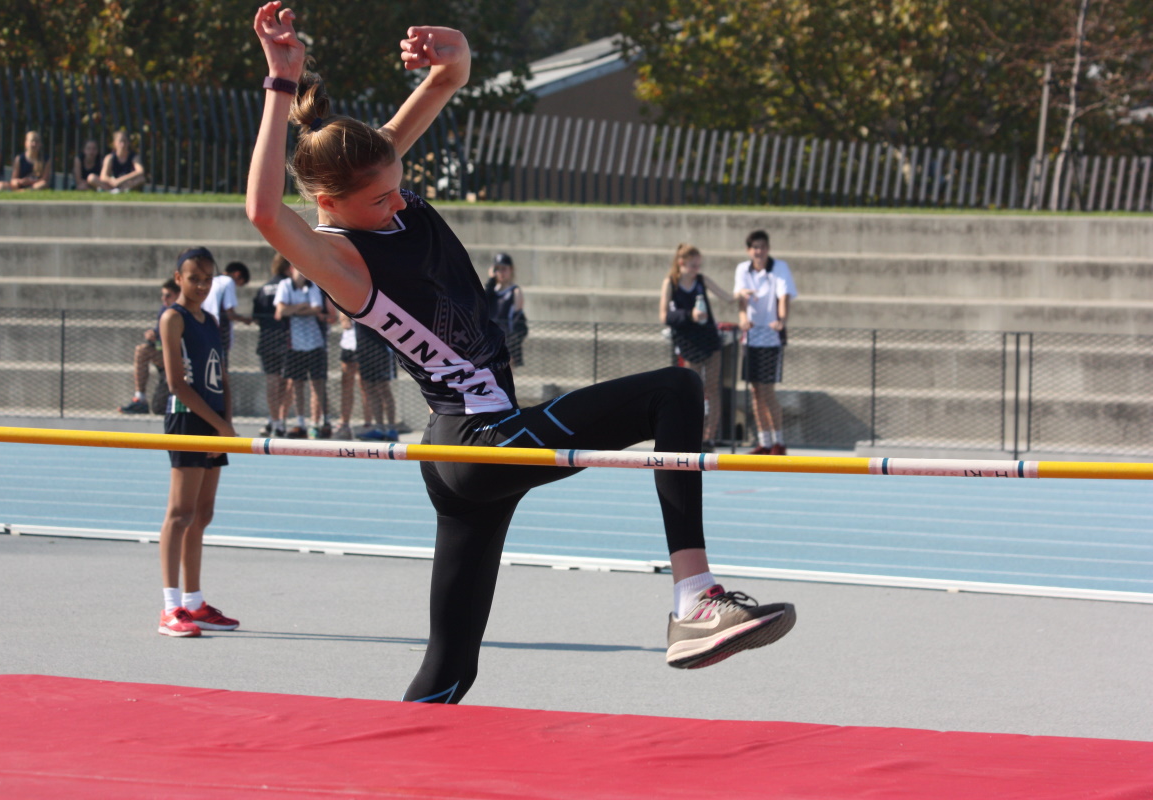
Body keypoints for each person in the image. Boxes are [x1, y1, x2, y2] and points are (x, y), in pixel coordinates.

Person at [247, 3, 794, 703]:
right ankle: (694, 600)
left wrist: (456, 56)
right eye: (382, 199)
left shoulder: (378, 184)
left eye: (399, 185)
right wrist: (279, 82)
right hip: (479, 444)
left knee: (452, 666)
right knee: (677, 391)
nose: (400, 202)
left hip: (468, 448)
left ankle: (400, 750)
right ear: (329, 200)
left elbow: (448, 80)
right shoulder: (341, 261)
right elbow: (264, 212)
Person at [156, 246, 239, 637]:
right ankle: (170, 607)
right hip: (188, 419)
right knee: (180, 514)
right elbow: (177, 383)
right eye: (194, 278)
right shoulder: (174, 318)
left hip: (215, 422)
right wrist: (218, 425)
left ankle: (194, 602)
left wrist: (227, 425)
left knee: (202, 514)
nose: (202, 286)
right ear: (179, 279)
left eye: (208, 279)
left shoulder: (212, 319)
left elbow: (222, 375)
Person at [660, 244, 733, 449]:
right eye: (693, 265)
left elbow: (727, 297)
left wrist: (743, 294)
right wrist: (689, 315)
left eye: (698, 265)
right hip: (689, 343)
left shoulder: (701, 280)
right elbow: (664, 316)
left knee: (712, 388)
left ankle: (709, 436)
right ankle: (693, 433)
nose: (696, 269)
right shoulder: (671, 283)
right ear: (681, 263)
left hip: (709, 339)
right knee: (693, 390)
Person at [733, 230, 796, 455]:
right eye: (755, 247)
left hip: (771, 339)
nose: (759, 251)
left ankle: (779, 442)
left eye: (763, 247)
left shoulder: (779, 267)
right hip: (751, 338)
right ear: (749, 250)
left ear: (768, 248)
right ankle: (765, 441)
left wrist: (781, 320)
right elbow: (740, 298)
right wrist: (743, 319)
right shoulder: (743, 269)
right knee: (755, 392)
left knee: (768, 391)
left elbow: (784, 296)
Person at [275, 261, 331, 439]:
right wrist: (302, 307)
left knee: (317, 384)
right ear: (291, 269)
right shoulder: (285, 285)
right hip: (294, 345)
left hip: (315, 343)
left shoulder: (312, 285)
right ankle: (300, 423)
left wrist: (293, 309)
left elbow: (316, 309)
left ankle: (319, 422)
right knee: (297, 385)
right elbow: (281, 311)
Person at [120, 277, 181, 415]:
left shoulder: (183, 312)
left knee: (160, 408)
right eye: (162, 295)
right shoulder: (164, 310)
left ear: (178, 295)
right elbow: (160, 333)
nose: (164, 298)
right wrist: (153, 335)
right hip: (164, 355)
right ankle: (140, 398)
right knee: (142, 350)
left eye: (168, 295)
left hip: (179, 360)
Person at [253, 253, 293, 437]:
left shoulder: (264, 288)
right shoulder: (290, 286)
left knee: (272, 380)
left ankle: (273, 418)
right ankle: (280, 420)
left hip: (267, 338)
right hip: (287, 338)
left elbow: (256, 316)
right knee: (287, 382)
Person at [355, 323, 398, 441]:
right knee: (369, 388)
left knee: (383, 388)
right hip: (364, 347)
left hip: (381, 347)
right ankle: (379, 428)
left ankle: (392, 429)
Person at [484, 252, 527, 369]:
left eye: (504, 269)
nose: (500, 272)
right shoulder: (491, 291)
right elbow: (482, 303)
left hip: (505, 342)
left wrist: (511, 347)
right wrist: (491, 280)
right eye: (497, 269)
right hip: (489, 342)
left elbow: (517, 321)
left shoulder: (515, 292)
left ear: (511, 270)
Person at [334, 308, 370, 440]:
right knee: (346, 385)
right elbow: (345, 322)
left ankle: (368, 424)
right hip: (348, 345)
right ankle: (344, 424)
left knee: (365, 386)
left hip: (365, 344)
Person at [202, 261, 253, 352]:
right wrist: (245, 320)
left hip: (205, 328)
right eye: (239, 283)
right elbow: (229, 313)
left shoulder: (213, 280)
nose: (236, 286)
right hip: (220, 331)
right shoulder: (228, 281)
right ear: (237, 274)